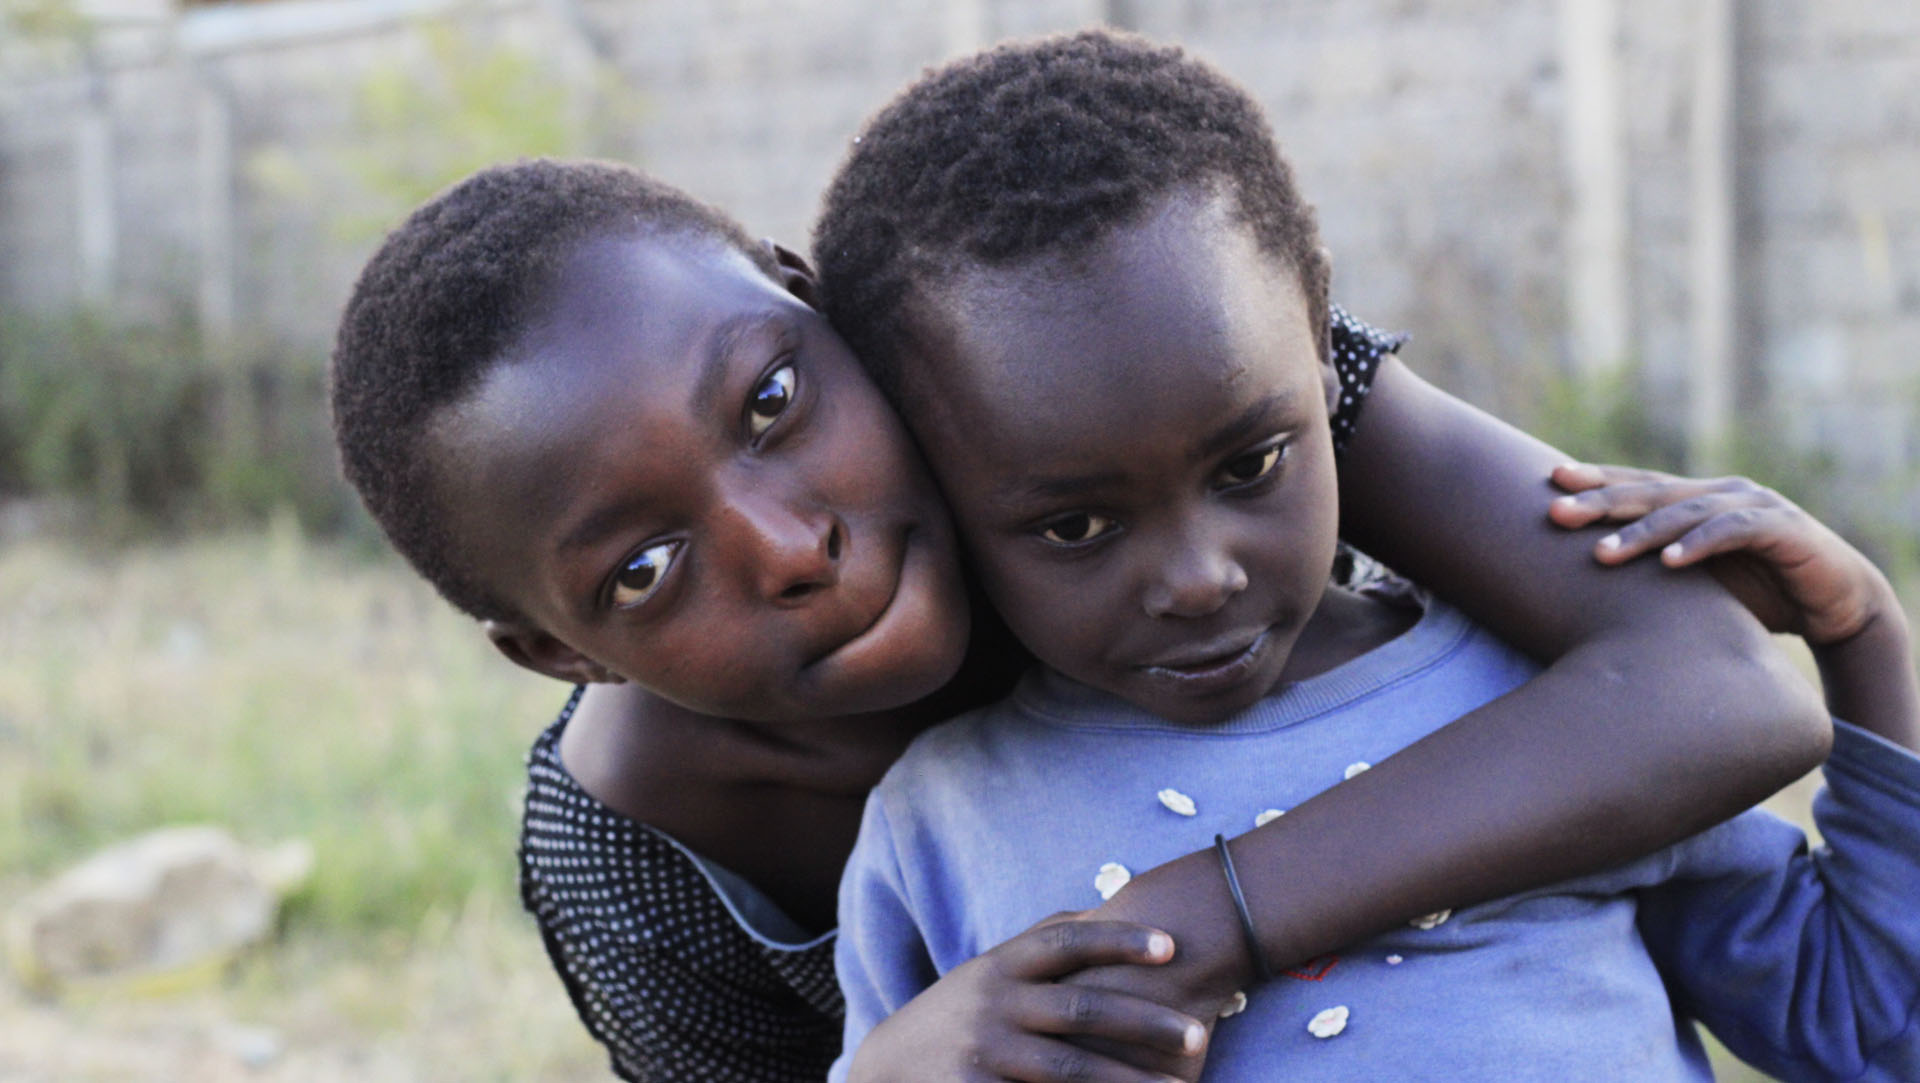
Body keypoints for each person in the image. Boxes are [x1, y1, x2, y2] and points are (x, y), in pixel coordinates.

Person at [327, 149, 1824, 1083]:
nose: (789, 544)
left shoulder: (1101, 364)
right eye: (643, 570)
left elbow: (1718, 685)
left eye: (774, 402)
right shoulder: (635, 853)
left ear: (813, 295)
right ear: (558, 650)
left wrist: (1198, 913)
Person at [817, 31, 1919, 1082]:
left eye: (1250, 465)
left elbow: (1870, 1027)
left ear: (1322, 346)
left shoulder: (1556, 701)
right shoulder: (940, 824)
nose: (1201, 576)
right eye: (1075, 528)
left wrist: (1866, 640)